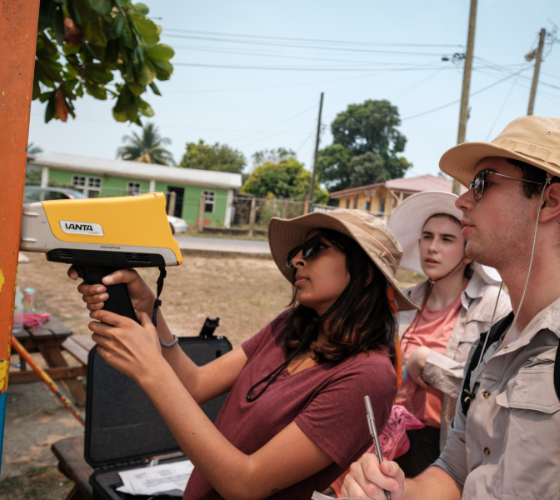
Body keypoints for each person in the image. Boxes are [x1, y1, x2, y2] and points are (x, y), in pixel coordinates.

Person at [69, 209, 417, 500]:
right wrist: (148, 309)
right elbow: (196, 383)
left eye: (316, 249)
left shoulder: (368, 376)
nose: (297, 259)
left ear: (366, 273)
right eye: (298, 250)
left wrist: (151, 371)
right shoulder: (290, 327)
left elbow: (245, 483)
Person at [341, 115, 560, 500]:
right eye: (427, 237)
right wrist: (395, 489)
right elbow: (457, 471)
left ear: (549, 200)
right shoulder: (490, 347)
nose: (463, 201)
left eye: (483, 182)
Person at [386, 191, 511, 477]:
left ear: (469, 252)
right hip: (392, 436)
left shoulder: (495, 306)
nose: (432, 247)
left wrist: (427, 361)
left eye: (446, 239)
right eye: (427, 237)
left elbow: (493, 385)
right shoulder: (401, 302)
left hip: (447, 446)